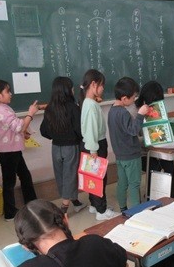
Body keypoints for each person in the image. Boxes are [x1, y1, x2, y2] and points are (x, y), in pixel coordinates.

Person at [0, 79, 39, 221]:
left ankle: (32, 205)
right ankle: (10, 213)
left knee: (25, 176)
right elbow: (18, 126)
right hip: (8, 152)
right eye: (7, 91)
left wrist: (24, 132)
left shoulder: (4, 107)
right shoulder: (0, 110)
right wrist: (30, 113)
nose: (11, 94)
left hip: (12, 149)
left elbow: (14, 128)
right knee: (9, 182)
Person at [40, 77, 86, 215]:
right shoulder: (73, 107)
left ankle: (75, 202)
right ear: (67, 90)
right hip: (71, 147)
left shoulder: (50, 108)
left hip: (55, 148)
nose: (73, 90)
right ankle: (64, 209)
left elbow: (43, 131)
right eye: (71, 88)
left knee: (61, 176)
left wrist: (56, 136)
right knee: (70, 176)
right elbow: (80, 130)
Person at [79, 69, 120, 220]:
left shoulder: (89, 102)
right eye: (102, 85)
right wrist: (93, 151)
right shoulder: (90, 105)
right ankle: (101, 211)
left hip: (92, 144)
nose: (103, 89)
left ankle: (95, 205)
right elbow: (91, 129)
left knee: (93, 177)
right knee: (99, 178)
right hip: (94, 145)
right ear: (93, 84)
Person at [107, 77, 149, 212]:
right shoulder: (123, 113)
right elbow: (133, 130)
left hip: (120, 155)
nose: (135, 100)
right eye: (133, 97)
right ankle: (136, 212)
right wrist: (140, 115)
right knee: (134, 184)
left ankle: (123, 208)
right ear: (124, 98)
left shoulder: (112, 110)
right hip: (131, 155)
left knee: (122, 183)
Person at [136, 80, 174, 198]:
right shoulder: (139, 111)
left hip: (160, 149)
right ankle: (156, 194)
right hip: (147, 153)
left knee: (167, 164)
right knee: (155, 166)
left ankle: (170, 193)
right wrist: (147, 139)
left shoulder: (158, 110)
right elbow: (136, 136)